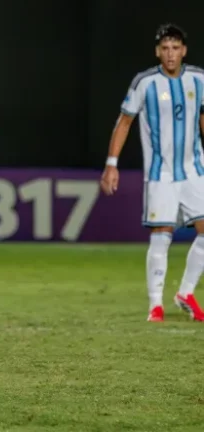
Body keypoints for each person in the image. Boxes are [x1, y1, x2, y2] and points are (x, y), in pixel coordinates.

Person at [101, 23, 204, 322]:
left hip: (195, 169)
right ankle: (155, 306)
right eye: (165, 48)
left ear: (183, 50)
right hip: (161, 174)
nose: (170, 54)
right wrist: (111, 164)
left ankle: (186, 293)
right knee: (162, 236)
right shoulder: (144, 83)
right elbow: (124, 122)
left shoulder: (199, 79)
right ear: (157, 51)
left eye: (175, 48)